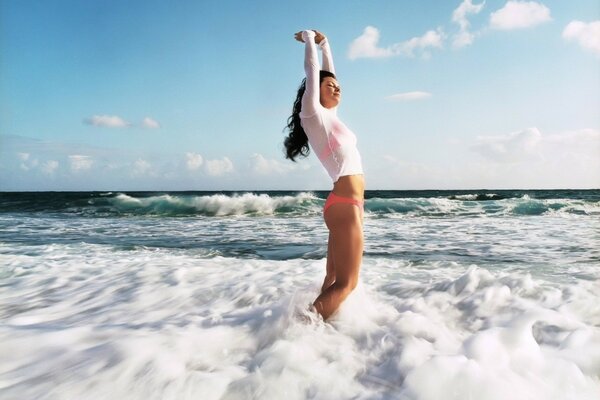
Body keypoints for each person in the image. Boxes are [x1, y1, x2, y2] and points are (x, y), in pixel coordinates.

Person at [284, 29, 365, 320]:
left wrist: (326, 43)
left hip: (346, 204)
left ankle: (315, 336)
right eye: (329, 85)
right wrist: (308, 40)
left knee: (332, 280)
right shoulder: (313, 115)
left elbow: (327, 71)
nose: (336, 87)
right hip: (344, 205)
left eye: (338, 85)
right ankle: (299, 331)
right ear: (314, 92)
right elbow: (314, 70)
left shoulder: (332, 117)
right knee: (347, 284)